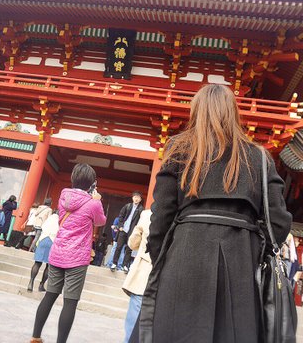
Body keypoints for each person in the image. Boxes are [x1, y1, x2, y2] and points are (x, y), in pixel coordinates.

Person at [141, 84, 292, 343]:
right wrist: (254, 250)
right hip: (240, 265)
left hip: (183, 261)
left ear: (196, 112)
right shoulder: (258, 156)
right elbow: (278, 221)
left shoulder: (179, 148)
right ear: (233, 113)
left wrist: (163, 260)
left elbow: (161, 217)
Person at [31, 163, 106, 343]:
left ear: (73, 179)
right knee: (70, 302)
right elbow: (100, 221)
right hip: (77, 258)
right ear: (91, 184)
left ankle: (35, 337)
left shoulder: (64, 196)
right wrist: (97, 200)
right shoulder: (92, 203)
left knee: (49, 296)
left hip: (57, 253)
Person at [122, 208, 152, 343]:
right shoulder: (182, 215)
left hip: (143, 275)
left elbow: (133, 244)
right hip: (167, 278)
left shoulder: (147, 215)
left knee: (133, 327)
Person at [111, 192, 144, 274]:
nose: (136, 198)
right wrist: (120, 226)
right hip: (123, 230)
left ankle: (125, 265)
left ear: (140, 199)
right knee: (118, 247)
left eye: (138, 197)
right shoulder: (127, 206)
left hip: (132, 232)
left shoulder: (141, 209)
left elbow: (141, 221)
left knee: (129, 249)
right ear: (132, 198)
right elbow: (121, 216)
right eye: (135, 197)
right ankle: (114, 263)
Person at [27, 209, 60, 293]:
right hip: (52, 242)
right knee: (48, 266)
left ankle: (31, 282)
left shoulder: (48, 219)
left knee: (37, 263)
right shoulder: (60, 221)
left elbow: (42, 228)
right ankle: (41, 285)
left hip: (42, 240)